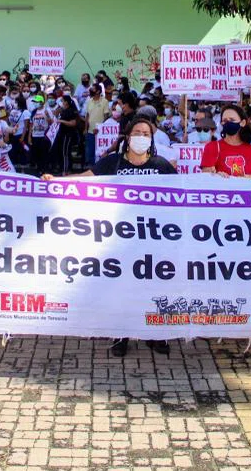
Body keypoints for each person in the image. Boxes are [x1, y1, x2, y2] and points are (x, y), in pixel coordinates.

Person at [42, 116, 176, 356]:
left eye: (146, 134)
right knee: (122, 287)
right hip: (120, 238)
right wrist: (57, 181)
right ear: (126, 136)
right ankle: (120, 333)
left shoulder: (161, 165)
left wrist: (218, 180)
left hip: (155, 239)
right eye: (137, 132)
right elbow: (84, 179)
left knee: (153, 287)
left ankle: (155, 334)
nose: (142, 137)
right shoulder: (112, 163)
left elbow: (187, 189)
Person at [200, 105, 251, 178]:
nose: (228, 123)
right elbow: (206, 178)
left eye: (232, 120)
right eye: (224, 120)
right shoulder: (212, 147)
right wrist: (216, 176)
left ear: (242, 123)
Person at [49, 94, 80, 175]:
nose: (61, 102)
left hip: (68, 134)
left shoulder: (71, 111)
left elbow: (73, 123)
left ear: (66, 102)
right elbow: (55, 115)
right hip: (62, 134)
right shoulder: (63, 110)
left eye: (62, 101)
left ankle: (65, 170)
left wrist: (62, 121)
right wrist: (58, 110)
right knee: (61, 152)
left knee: (65, 152)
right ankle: (63, 168)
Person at [84, 84, 110, 165]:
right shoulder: (89, 101)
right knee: (90, 151)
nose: (91, 89)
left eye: (93, 88)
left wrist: (101, 128)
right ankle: (92, 168)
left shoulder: (104, 101)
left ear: (98, 91)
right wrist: (85, 128)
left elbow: (106, 117)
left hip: (100, 132)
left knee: (100, 151)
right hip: (90, 131)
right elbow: (87, 116)